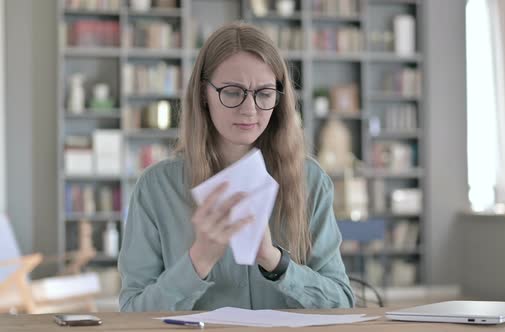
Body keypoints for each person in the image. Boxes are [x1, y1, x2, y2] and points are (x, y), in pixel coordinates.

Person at [118, 22, 354, 311]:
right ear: (204, 94)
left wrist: (275, 262)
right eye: (232, 92)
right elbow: (131, 313)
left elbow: (342, 303)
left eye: (264, 93)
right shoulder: (156, 187)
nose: (250, 109)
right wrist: (200, 259)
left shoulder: (310, 180)